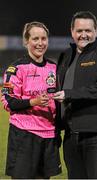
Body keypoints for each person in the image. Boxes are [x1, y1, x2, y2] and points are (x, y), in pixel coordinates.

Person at [53, 11, 97, 179]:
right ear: (72, 31)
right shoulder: (66, 56)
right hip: (71, 136)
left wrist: (69, 94)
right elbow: (58, 88)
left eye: (88, 30)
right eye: (79, 30)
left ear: (96, 31)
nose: (84, 35)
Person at [1, 21, 62, 179]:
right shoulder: (14, 69)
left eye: (43, 39)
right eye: (35, 39)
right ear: (26, 41)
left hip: (49, 136)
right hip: (24, 136)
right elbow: (8, 101)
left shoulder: (54, 68)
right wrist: (32, 102)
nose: (40, 43)